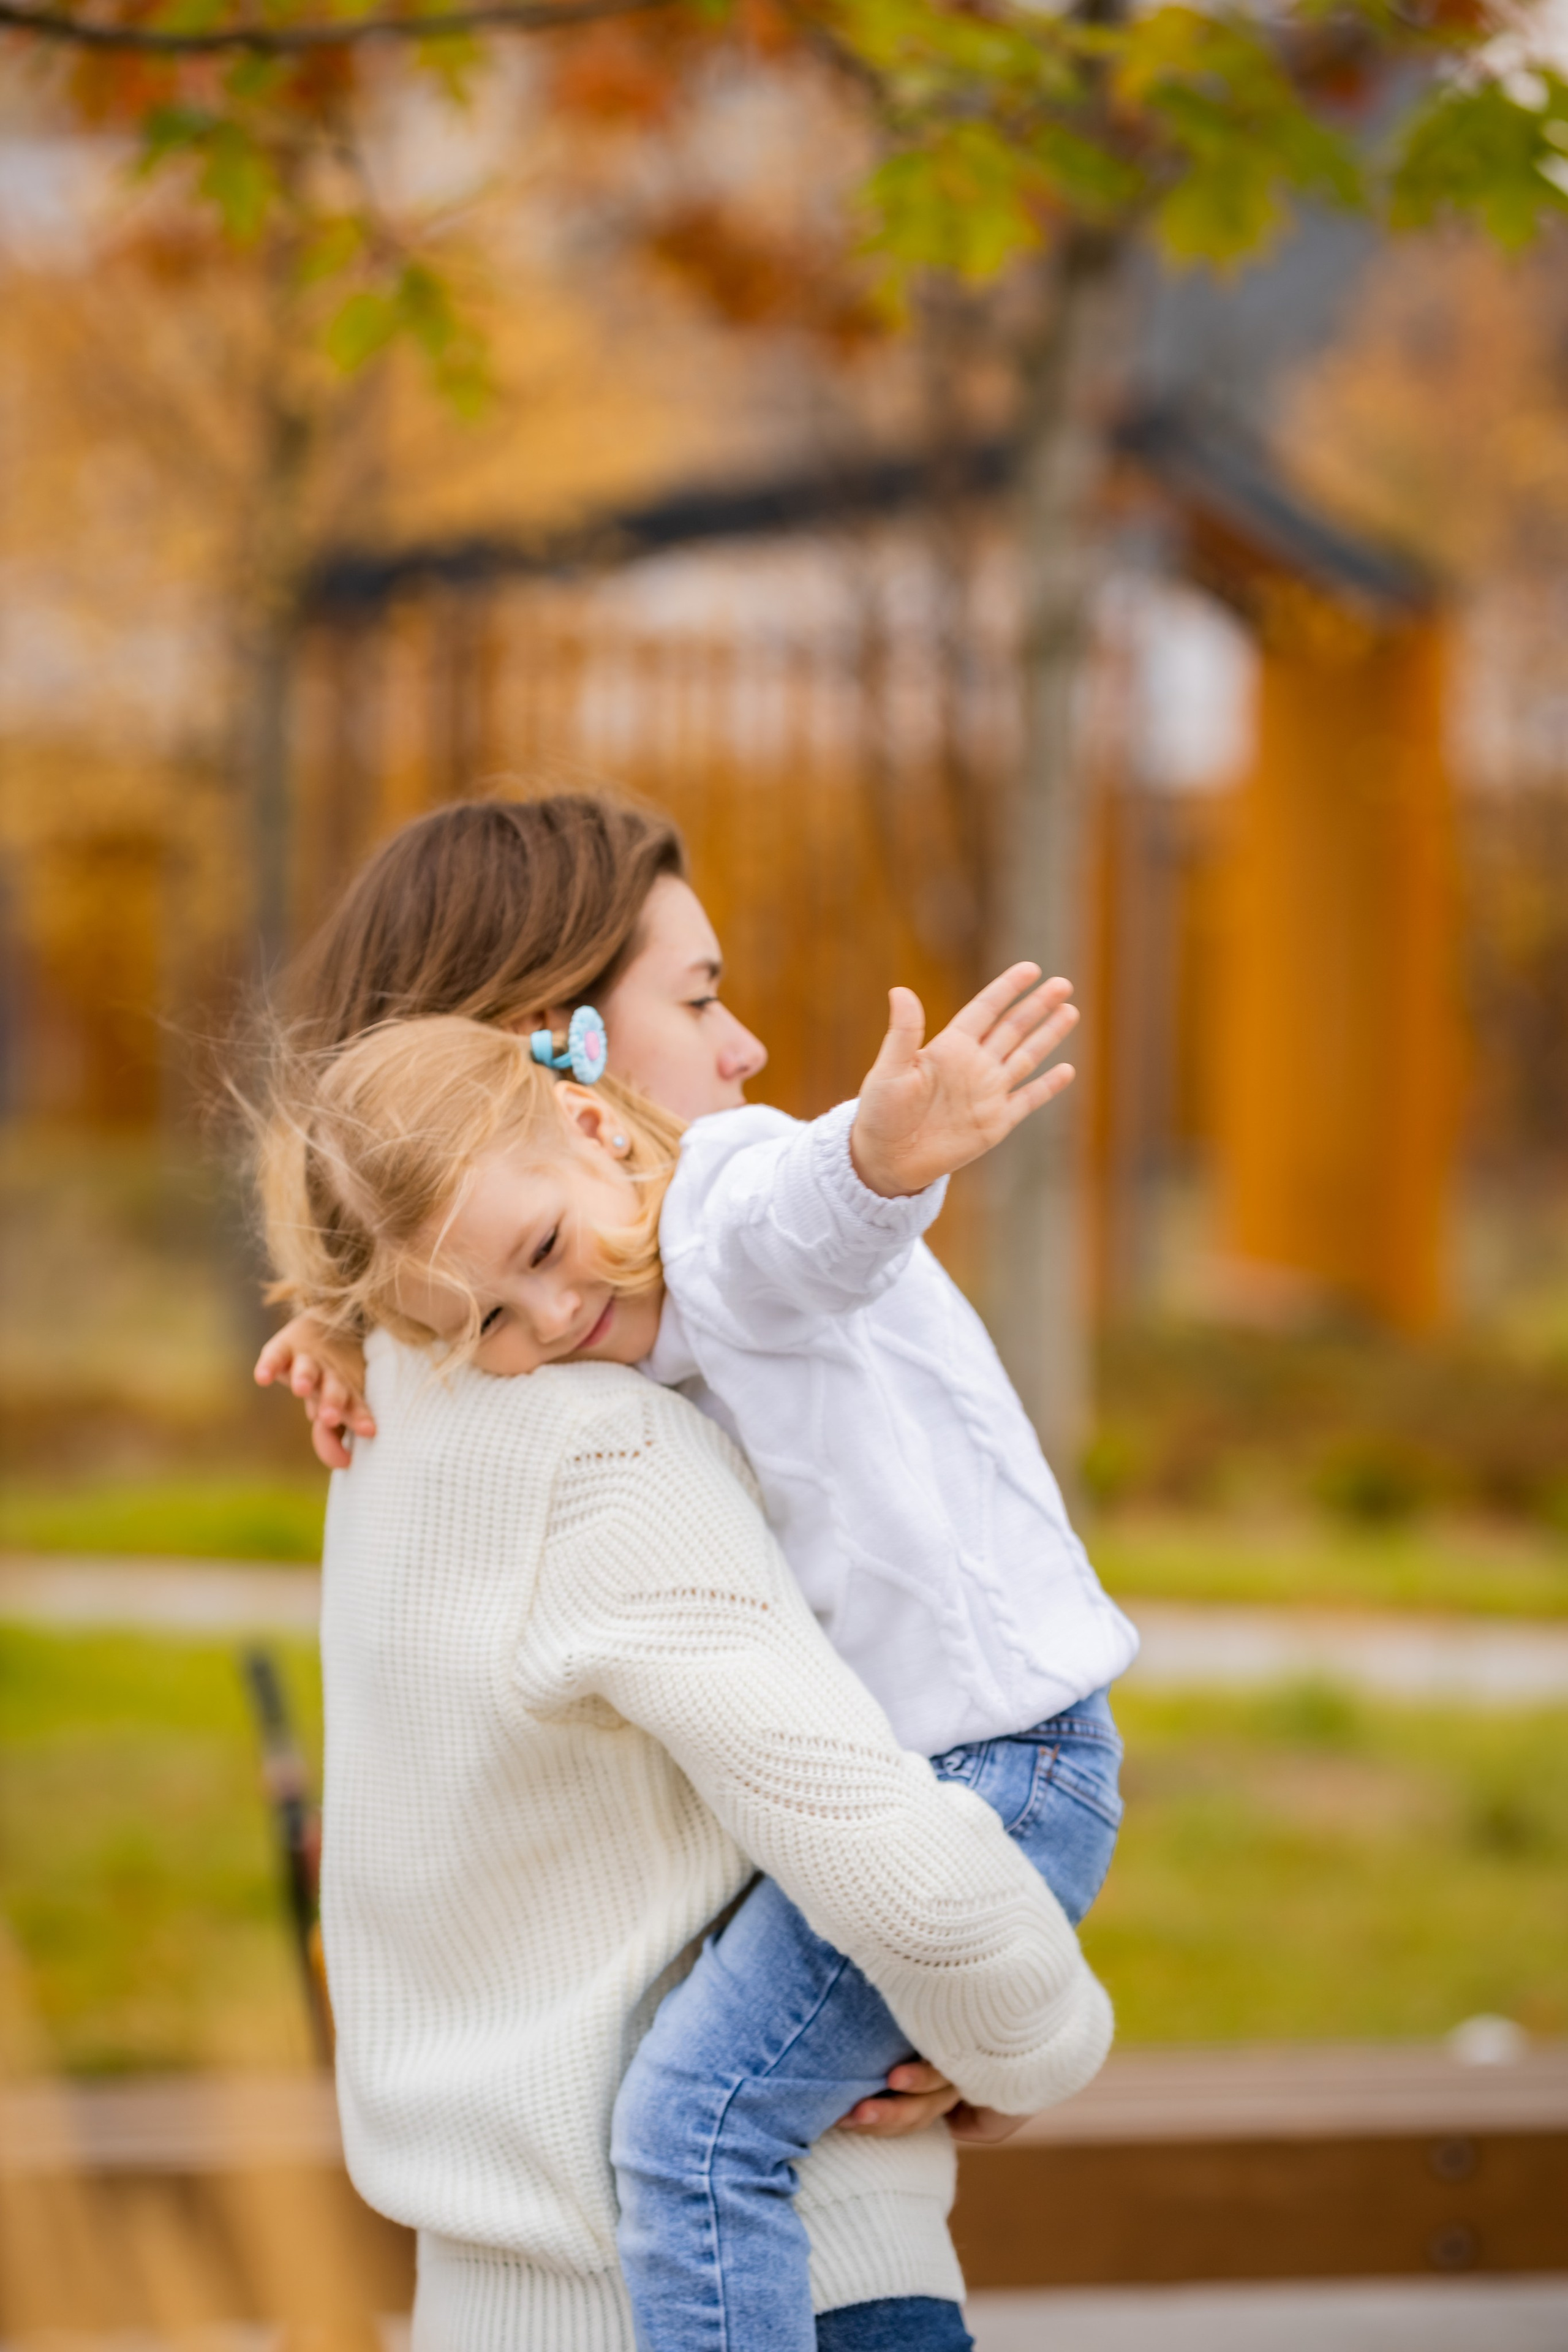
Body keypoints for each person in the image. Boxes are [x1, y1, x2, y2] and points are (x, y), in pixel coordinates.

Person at [262, 951, 1138, 2350]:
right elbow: (462, 1246)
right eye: (487, 1320)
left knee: (693, 2127)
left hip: (999, 1767)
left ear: (602, 1129)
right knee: (693, 2125)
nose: (547, 1322)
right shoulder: (596, 1327)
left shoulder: (721, 1212)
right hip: (974, 1769)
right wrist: (342, 1330)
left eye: (546, 1257)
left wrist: (876, 1156)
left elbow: (802, 1228)